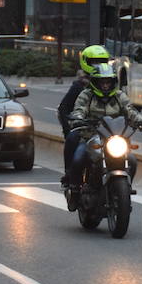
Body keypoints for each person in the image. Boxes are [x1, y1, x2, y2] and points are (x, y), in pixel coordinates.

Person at [65, 61, 142, 210]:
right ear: (95, 82)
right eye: (102, 82)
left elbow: (130, 110)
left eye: (108, 82)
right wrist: (78, 118)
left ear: (113, 82)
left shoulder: (119, 96)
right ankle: (75, 193)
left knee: (132, 161)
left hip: (116, 138)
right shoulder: (86, 95)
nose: (105, 85)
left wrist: (140, 121)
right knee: (78, 159)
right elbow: (79, 109)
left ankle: (125, 189)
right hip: (91, 137)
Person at [58, 45, 110, 187]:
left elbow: (126, 106)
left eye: (102, 62)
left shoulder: (112, 84)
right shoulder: (80, 87)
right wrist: (70, 127)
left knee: (130, 157)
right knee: (72, 140)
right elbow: (64, 108)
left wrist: (136, 119)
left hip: (109, 132)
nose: (99, 65)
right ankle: (70, 178)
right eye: (95, 62)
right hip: (86, 131)